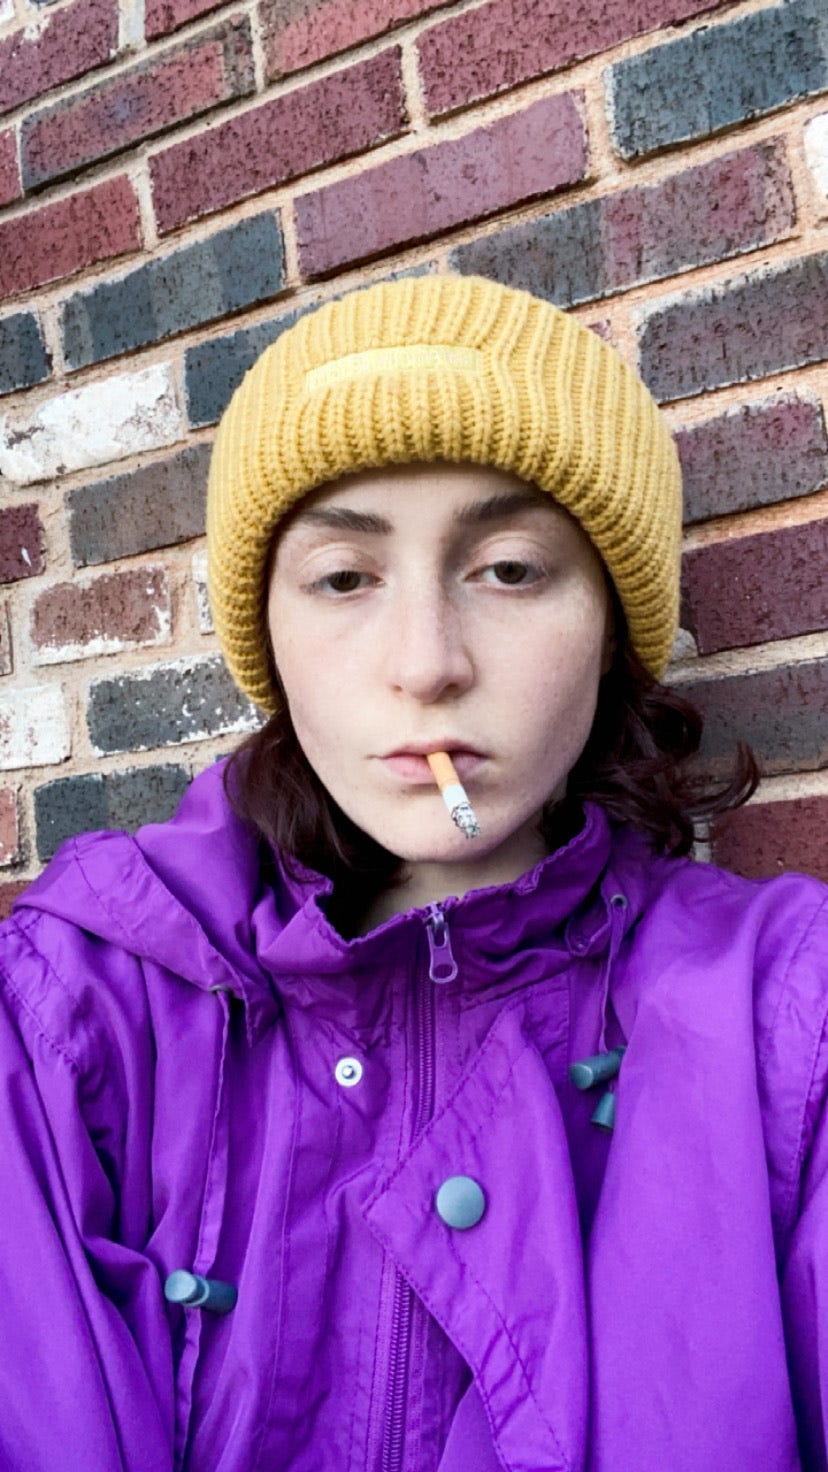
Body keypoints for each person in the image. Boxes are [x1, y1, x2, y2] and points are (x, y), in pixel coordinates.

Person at [0, 272, 826, 1472]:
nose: (426, 664)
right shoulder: (75, 1015)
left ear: (611, 628)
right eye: (344, 577)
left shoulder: (786, 1015)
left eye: (509, 570)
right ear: (270, 640)